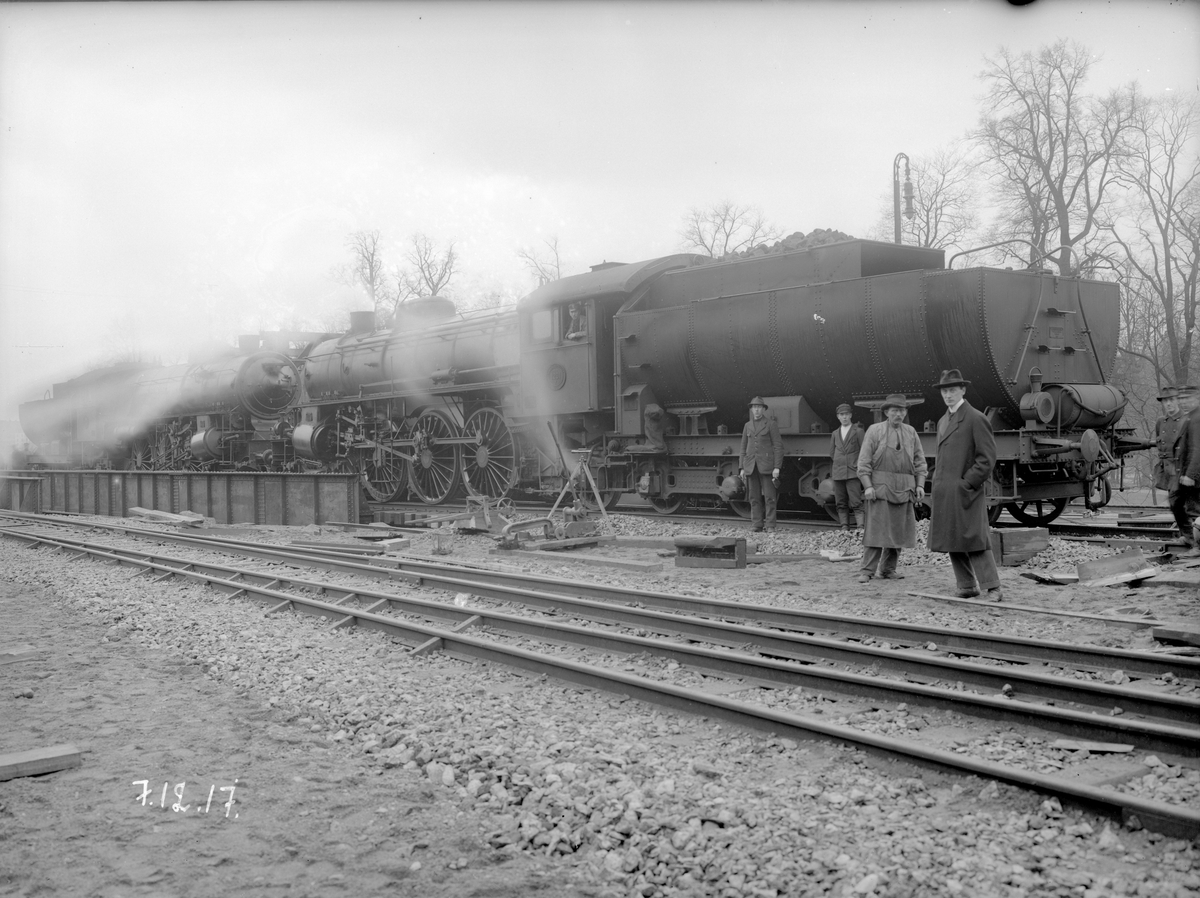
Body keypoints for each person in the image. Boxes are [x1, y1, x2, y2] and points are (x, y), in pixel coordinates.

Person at [927, 368, 1002, 600]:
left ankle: (993, 588)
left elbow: (987, 458)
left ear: (963, 390)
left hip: (965, 492)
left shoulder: (975, 417)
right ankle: (967, 585)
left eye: (952, 390)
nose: (948, 395)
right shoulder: (943, 420)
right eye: (944, 391)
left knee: (975, 539)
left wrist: (967, 483)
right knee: (952, 538)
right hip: (946, 491)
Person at [855, 394, 927, 582]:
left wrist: (919, 484)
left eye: (902, 410)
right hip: (880, 487)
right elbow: (863, 461)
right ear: (886, 412)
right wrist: (868, 486)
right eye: (894, 410)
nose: (898, 414)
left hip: (905, 488)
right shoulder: (874, 430)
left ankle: (888, 569)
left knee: (898, 531)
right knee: (876, 531)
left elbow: (920, 461)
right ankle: (866, 571)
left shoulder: (911, 432)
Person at [739, 396, 783, 532]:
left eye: (759, 407)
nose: (756, 410)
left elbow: (778, 447)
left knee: (770, 497)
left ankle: (770, 525)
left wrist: (777, 467)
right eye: (754, 407)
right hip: (751, 466)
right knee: (754, 497)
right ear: (751, 410)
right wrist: (741, 467)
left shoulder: (771, 424)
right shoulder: (747, 426)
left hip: (767, 466)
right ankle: (757, 524)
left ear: (763, 409)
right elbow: (743, 448)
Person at [1153, 386, 1190, 545]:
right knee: (1175, 504)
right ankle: (1188, 536)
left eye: (1171, 400)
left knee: (1188, 505)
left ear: (1178, 401)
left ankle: (1191, 537)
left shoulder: (1187, 421)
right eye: (1165, 401)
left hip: (1184, 468)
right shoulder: (1161, 422)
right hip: (1168, 469)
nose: (1168, 404)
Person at [829, 402, 865, 531]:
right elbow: (832, 453)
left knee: (856, 501)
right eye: (841, 415)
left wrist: (855, 464)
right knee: (840, 502)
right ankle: (844, 526)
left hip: (852, 472)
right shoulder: (834, 433)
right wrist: (840, 463)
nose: (844, 417)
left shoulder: (858, 431)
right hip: (838, 472)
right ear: (838, 417)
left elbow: (864, 451)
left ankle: (861, 527)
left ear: (850, 415)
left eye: (846, 414)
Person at [1173, 385, 1200, 552]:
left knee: (1194, 511)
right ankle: (1190, 539)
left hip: (1196, 476)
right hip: (1191, 474)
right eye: (1181, 399)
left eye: (1187, 398)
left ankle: (1197, 546)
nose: (1183, 402)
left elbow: (1198, 449)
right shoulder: (1191, 417)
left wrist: (1190, 475)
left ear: (1196, 398)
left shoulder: (1196, 418)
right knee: (1184, 506)